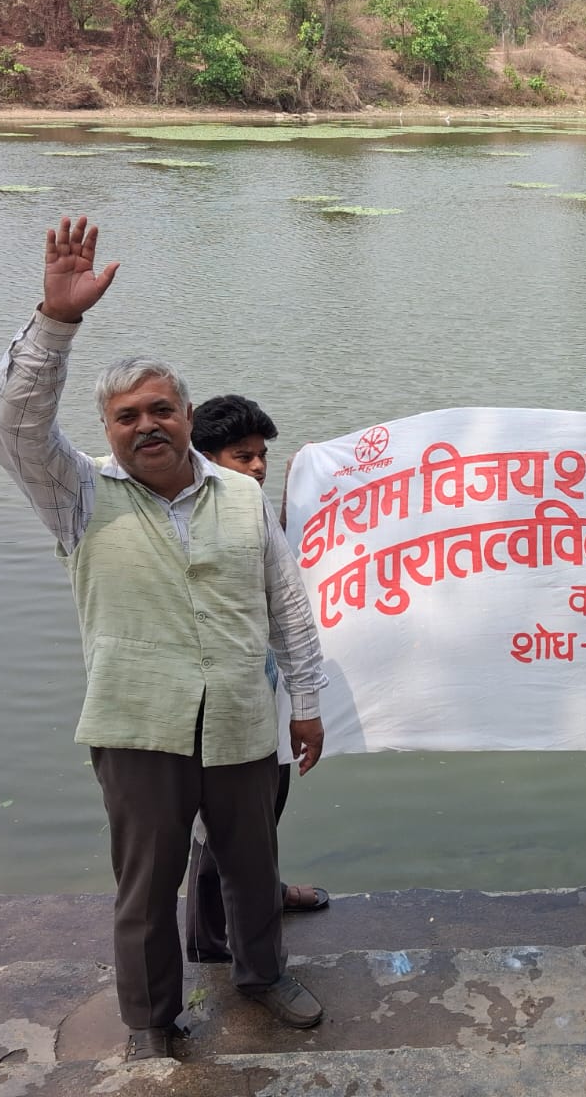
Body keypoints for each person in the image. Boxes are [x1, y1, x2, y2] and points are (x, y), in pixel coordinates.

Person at [0, 217, 331, 1062]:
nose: (146, 425)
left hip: (245, 722)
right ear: (105, 430)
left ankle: (262, 976)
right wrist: (56, 323)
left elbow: (287, 606)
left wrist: (309, 702)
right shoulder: (78, 497)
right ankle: (152, 1021)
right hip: (138, 725)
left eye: (160, 410)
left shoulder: (243, 497)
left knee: (253, 868)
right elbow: (15, 428)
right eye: (125, 416)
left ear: (186, 416)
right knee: (145, 887)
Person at [185, 396, 330, 970]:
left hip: (261, 690)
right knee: (217, 824)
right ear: (206, 459)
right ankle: (211, 935)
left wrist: (307, 493)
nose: (258, 468)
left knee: (266, 805)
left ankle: (261, 897)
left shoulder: (253, 511)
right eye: (243, 457)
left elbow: (284, 583)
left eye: (262, 456)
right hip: (214, 698)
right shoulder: (190, 520)